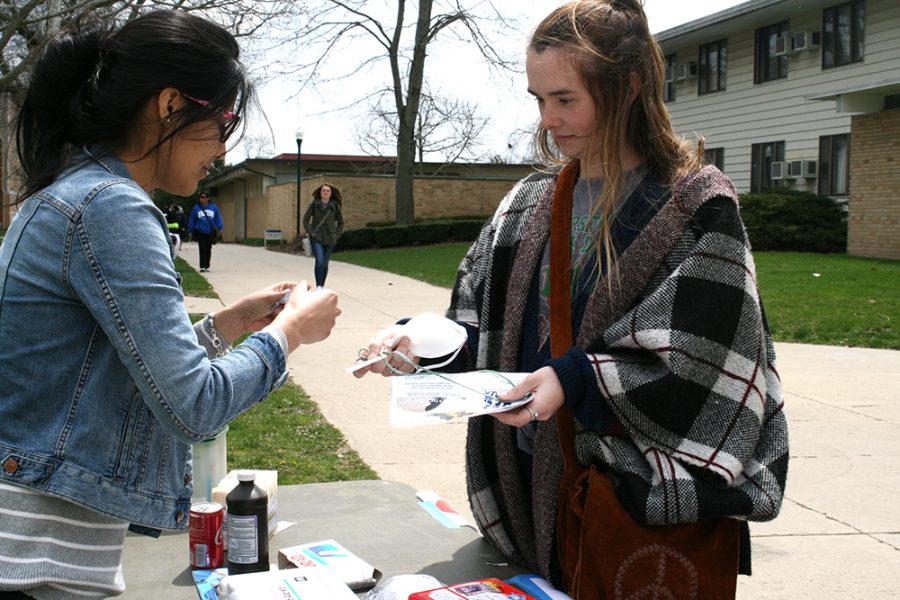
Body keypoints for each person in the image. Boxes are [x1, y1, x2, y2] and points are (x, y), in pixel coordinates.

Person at [354, 0, 788, 593]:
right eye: (538, 99)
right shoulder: (526, 204)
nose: (548, 120)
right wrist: (423, 342)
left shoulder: (695, 209)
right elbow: (488, 333)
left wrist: (577, 380)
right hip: (530, 487)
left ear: (629, 87)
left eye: (565, 99)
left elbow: (707, 367)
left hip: (628, 508)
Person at [0, 10, 341, 598]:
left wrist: (230, 324)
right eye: (224, 121)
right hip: (37, 555)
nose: (225, 148)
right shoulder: (110, 207)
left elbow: (122, 363)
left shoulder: (72, 192)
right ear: (168, 105)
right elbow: (192, 405)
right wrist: (287, 335)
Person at [302, 183, 344, 288]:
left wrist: (336, 235)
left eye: (327, 191)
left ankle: (322, 286)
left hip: (330, 239)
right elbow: (305, 220)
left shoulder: (334, 206)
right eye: (323, 190)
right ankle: (319, 287)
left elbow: (341, 222)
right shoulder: (314, 205)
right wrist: (311, 233)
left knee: (325, 264)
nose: (325, 192)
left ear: (330, 193)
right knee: (319, 261)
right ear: (320, 192)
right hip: (317, 238)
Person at [188, 191, 223, 272]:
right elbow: (192, 219)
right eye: (200, 197)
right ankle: (202, 266)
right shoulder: (196, 208)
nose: (201, 199)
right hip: (200, 231)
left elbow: (218, 218)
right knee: (202, 248)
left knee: (208, 248)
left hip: (210, 231)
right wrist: (190, 230)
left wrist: (220, 227)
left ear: (208, 198)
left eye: (203, 197)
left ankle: (207, 265)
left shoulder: (213, 207)